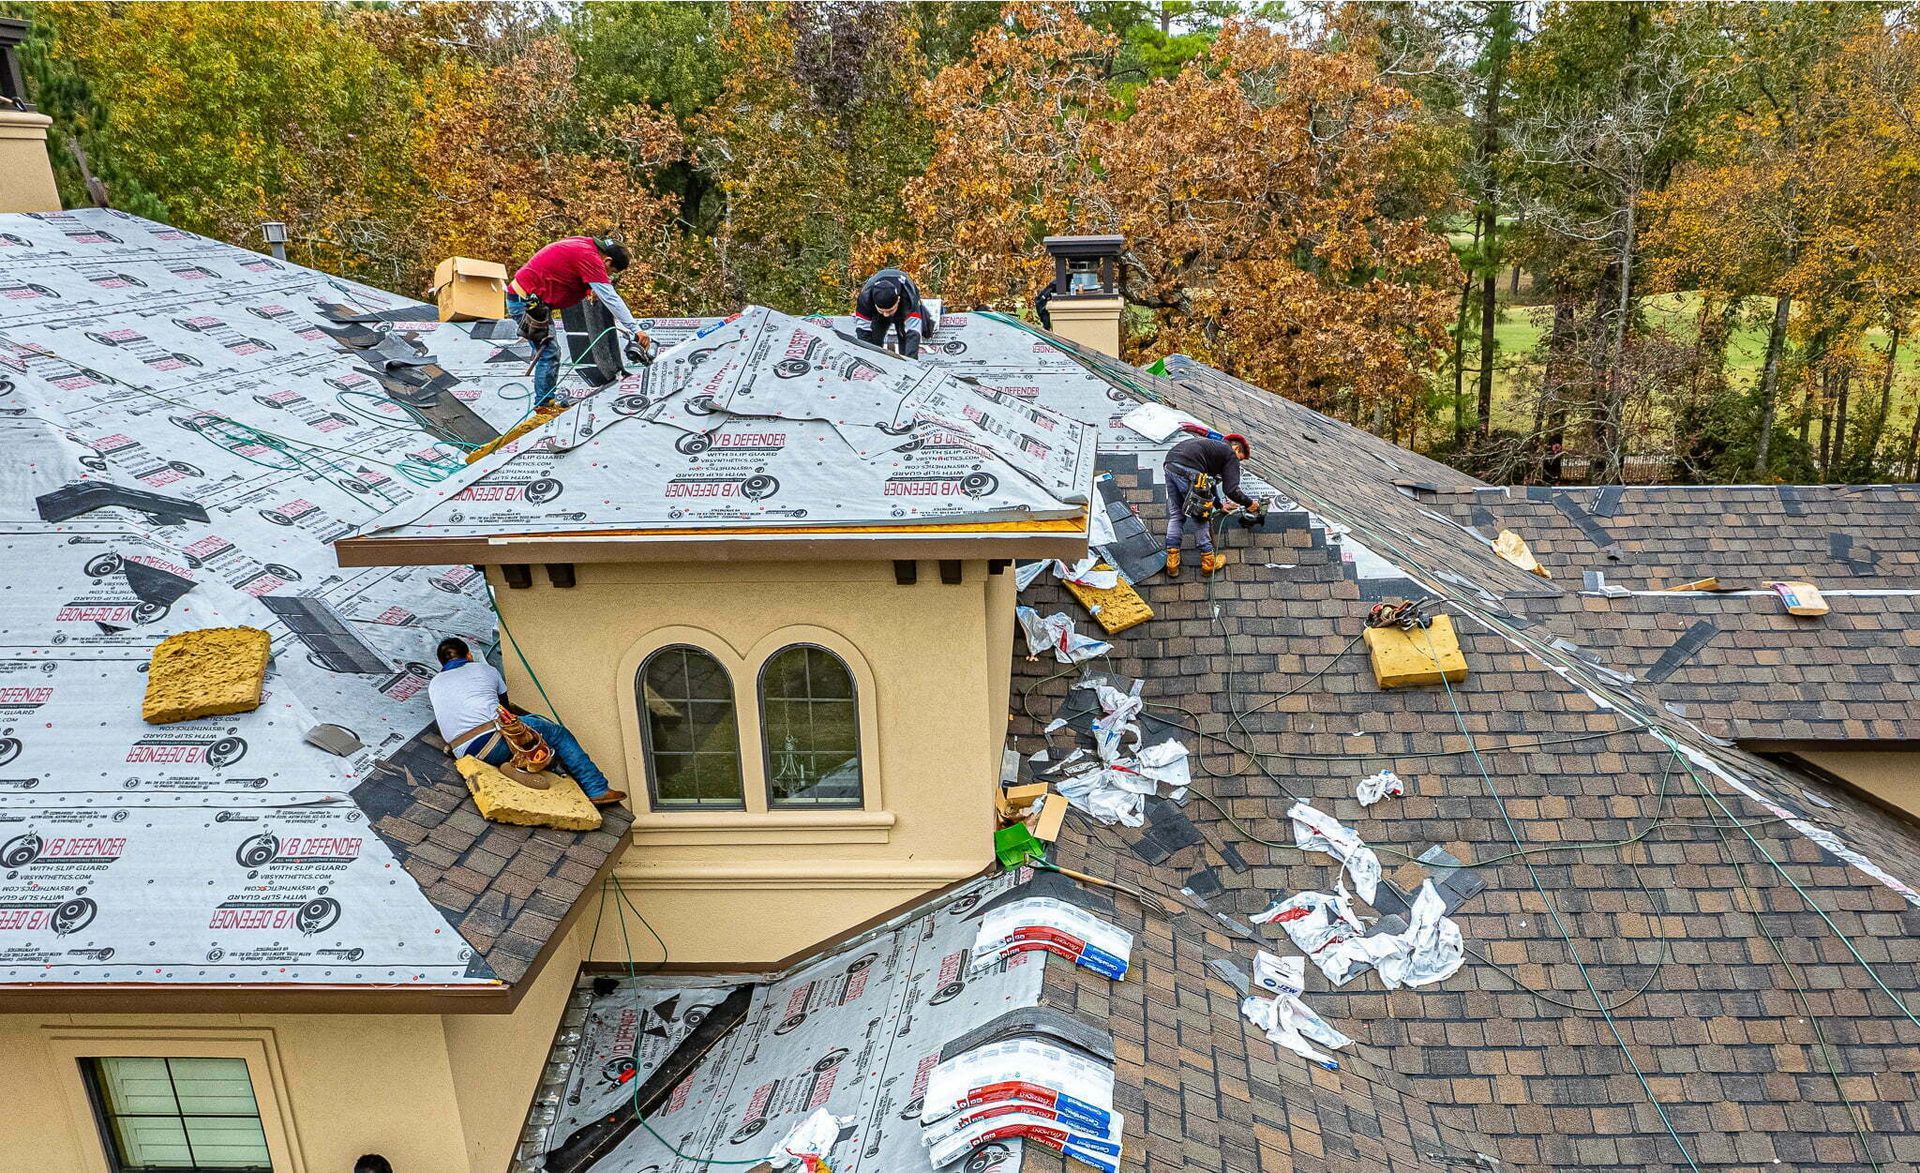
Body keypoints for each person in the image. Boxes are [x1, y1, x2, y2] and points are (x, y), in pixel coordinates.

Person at [427, 637, 625, 806]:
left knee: (529, 729)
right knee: (556, 733)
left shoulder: (434, 684)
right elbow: (506, 712)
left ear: (442, 664)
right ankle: (597, 788)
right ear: (469, 655)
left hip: (465, 752)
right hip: (493, 741)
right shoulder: (485, 670)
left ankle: (513, 765)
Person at [507, 236, 654, 408]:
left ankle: (545, 401)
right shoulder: (590, 258)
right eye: (610, 272)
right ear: (607, 261)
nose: (608, 276)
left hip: (532, 300)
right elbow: (611, 298)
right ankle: (543, 406)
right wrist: (635, 329)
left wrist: (589, 286)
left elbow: (564, 271)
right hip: (525, 303)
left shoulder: (585, 244)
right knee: (549, 352)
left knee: (548, 351)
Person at [1163, 431, 1259, 577]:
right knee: (1201, 514)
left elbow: (1209, 484)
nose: (1237, 464)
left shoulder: (1213, 449)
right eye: (1240, 460)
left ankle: (1172, 563)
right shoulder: (1230, 453)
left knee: (1177, 514)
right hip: (1190, 471)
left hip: (1170, 465)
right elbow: (1231, 489)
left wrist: (1219, 506)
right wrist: (1249, 503)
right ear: (1236, 448)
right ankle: (1208, 562)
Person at [853, 268, 935, 358]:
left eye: (890, 310)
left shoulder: (908, 298)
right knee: (876, 333)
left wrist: (911, 363)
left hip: (904, 299)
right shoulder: (865, 299)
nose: (886, 314)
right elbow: (863, 333)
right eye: (882, 311)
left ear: (898, 300)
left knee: (904, 335)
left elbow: (913, 334)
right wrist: (869, 359)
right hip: (875, 311)